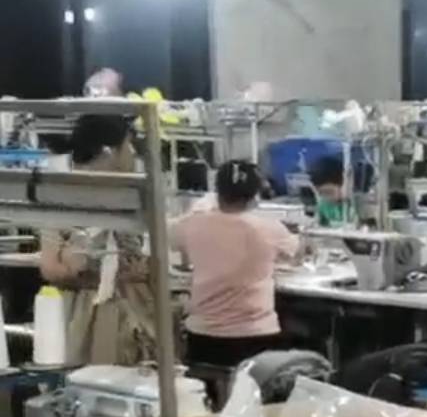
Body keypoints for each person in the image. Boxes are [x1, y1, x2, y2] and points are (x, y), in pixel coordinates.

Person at [39, 113, 157, 365]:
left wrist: (78, 261)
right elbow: (50, 268)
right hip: (97, 312)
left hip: (120, 309)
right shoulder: (64, 197)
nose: (132, 153)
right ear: (108, 152)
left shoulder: (134, 196)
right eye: (127, 145)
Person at [171, 158, 302, 376]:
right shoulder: (269, 229)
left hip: (203, 338)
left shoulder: (192, 223)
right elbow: (298, 254)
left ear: (216, 191)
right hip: (256, 338)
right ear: (255, 196)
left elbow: (168, 237)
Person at [307, 154, 349, 226]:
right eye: (321, 193)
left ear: (343, 184)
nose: (326, 197)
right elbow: (318, 225)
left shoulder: (356, 206)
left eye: (328, 192)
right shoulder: (323, 205)